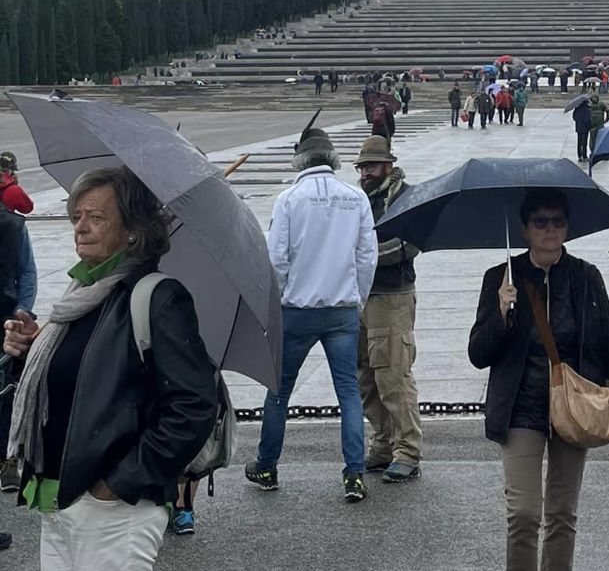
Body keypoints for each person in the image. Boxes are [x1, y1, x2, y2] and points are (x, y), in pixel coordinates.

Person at [4, 167, 217, 570]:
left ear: (133, 230)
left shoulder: (157, 298)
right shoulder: (83, 295)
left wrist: (118, 484)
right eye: (77, 216)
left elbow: (193, 406)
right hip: (58, 498)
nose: (80, 228)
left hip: (115, 509)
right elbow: (68, 387)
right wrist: (26, 353)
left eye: (96, 218)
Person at [469, 189, 609, 571]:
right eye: (540, 222)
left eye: (557, 222)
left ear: (567, 227)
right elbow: (477, 355)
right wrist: (501, 312)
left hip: (574, 405)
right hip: (521, 407)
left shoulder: (586, 277)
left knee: (563, 513)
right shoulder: (501, 279)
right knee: (524, 513)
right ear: (525, 229)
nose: (550, 230)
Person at [246, 128, 378, 502]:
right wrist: (359, 300)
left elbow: (277, 260)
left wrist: (278, 300)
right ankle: (354, 473)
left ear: (300, 160)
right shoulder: (355, 197)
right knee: (349, 393)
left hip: (297, 310)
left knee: (279, 391)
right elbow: (366, 257)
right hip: (341, 309)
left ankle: (267, 465)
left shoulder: (289, 199)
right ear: (333, 160)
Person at [355, 138, 423, 483]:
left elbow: (411, 244)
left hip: (392, 296)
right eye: (363, 167)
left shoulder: (405, 196)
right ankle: (383, 442)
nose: (366, 172)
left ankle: (408, 450)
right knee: (365, 377)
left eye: (372, 166)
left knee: (393, 376)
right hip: (361, 297)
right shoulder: (358, 199)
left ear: (387, 165)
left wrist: (363, 259)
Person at [1, 202, 37, 495]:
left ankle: (8, 460)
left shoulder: (13, 224)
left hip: (5, 318)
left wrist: (21, 310)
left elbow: (27, 272)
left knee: (8, 391)